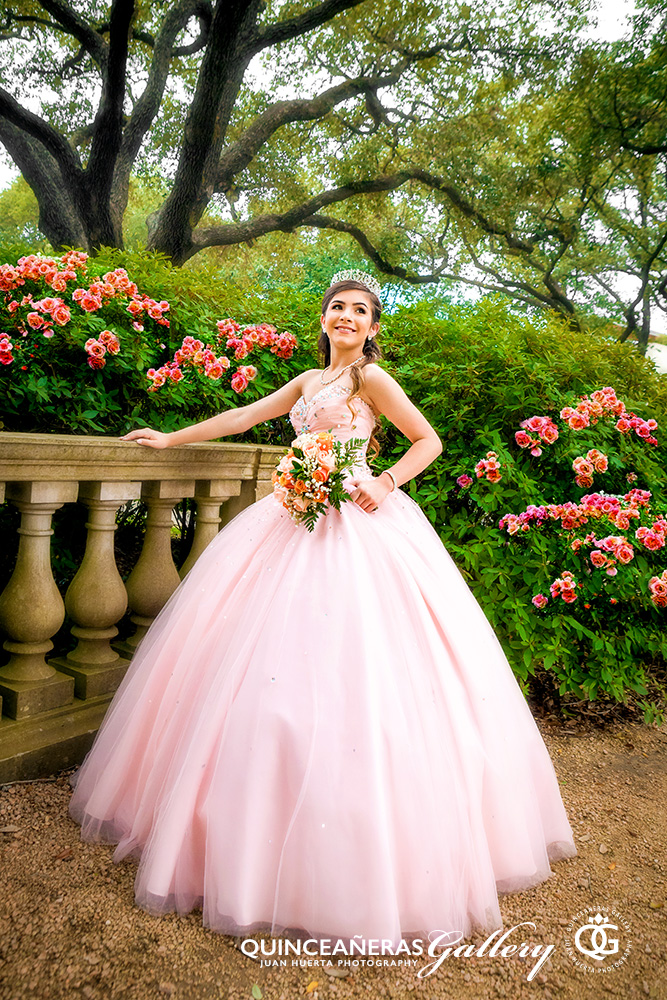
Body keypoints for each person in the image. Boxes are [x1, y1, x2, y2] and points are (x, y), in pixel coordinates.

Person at [68, 270, 576, 948]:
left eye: (359, 310)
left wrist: (385, 482)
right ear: (324, 319)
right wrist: (170, 438)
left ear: (371, 328)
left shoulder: (372, 380)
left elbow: (427, 441)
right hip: (290, 522)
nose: (346, 315)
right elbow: (243, 418)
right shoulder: (307, 384)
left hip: (359, 527)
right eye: (338, 306)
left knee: (358, 672)